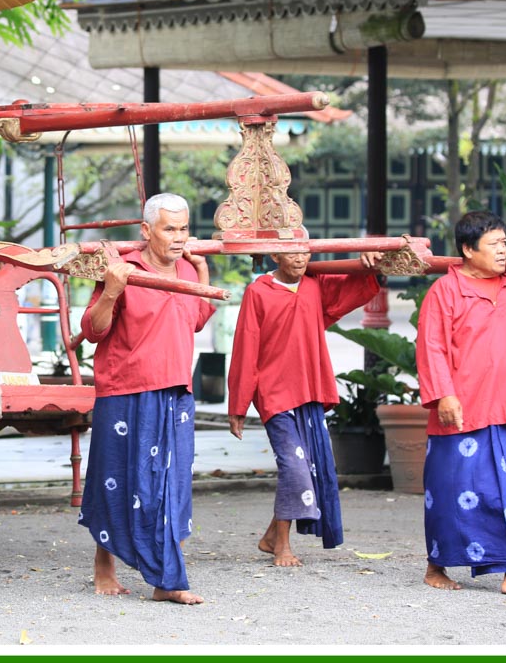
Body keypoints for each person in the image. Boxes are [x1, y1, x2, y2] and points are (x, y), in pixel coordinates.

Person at [77, 193, 215, 605]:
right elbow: (93, 330)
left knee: (171, 486)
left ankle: (165, 578)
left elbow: (197, 318)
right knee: (115, 478)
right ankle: (105, 565)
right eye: (169, 228)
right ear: (146, 231)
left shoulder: (189, 267)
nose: (178, 237)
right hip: (125, 390)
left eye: (184, 228)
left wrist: (203, 270)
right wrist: (111, 292)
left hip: (176, 391)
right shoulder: (122, 269)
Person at [416, 211, 506, 596]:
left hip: (505, 408)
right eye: (494, 245)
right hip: (459, 410)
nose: (503, 251)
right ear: (467, 250)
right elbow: (430, 348)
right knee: (451, 493)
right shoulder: (444, 292)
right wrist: (444, 395)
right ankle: (436, 566)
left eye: (504, 244)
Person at [226, 248, 382, 566]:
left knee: (306, 466)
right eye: (291, 252)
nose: (299, 258)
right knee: (294, 467)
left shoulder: (314, 284)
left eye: (305, 252)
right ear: (274, 258)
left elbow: (348, 291)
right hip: (274, 394)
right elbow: (245, 344)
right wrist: (238, 403)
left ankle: (271, 536)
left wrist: (369, 267)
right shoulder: (257, 292)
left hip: (309, 389)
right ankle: (282, 546)